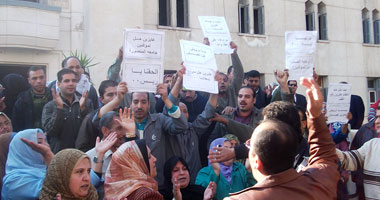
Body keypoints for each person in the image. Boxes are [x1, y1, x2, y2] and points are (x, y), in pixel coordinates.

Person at [224, 77, 340, 199]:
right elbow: (325, 156)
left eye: (250, 146)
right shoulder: (319, 183)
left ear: (257, 161)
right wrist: (316, 116)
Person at [42, 69, 93, 153]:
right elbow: (51, 132)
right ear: (59, 84)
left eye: (73, 81)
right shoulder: (50, 106)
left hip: (81, 153)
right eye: (66, 81)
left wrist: (83, 109)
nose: (71, 84)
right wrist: (59, 109)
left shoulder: (86, 102)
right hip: (59, 154)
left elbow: (91, 129)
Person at [75, 80, 127, 152]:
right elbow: (82, 147)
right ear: (101, 99)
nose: (115, 97)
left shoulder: (127, 115)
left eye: (117, 94)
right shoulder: (90, 118)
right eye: (110, 95)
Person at [2, 129, 53, 199]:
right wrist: (48, 155)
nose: (46, 145)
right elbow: (53, 189)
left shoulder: (43, 169)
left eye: (46, 141)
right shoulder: (14, 182)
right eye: (40, 142)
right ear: (24, 149)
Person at [12, 66, 52, 131]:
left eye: (41, 77)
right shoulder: (22, 100)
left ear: (45, 78)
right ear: (29, 80)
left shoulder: (54, 97)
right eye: (34, 78)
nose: (39, 81)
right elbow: (16, 124)